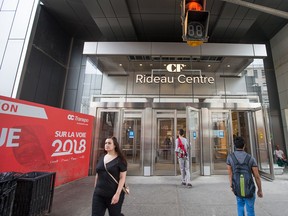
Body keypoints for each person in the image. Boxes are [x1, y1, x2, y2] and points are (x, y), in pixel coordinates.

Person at [227, 136, 263, 216]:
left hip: (237, 187)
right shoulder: (251, 158)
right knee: (250, 210)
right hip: (249, 188)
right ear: (244, 145)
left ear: (234, 146)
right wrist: (259, 189)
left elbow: (230, 174)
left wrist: (231, 185)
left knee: (240, 206)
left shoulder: (230, 157)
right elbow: (257, 176)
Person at [92, 136, 127, 216]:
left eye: (109, 143)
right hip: (99, 194)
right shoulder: (101, 157)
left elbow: (122, 178)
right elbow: (98, 173)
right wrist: (95, 187)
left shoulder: (120, 160)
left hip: (113, 194)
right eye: (105, 143)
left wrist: (117, 194)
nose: (106, 145)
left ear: (114, 145)